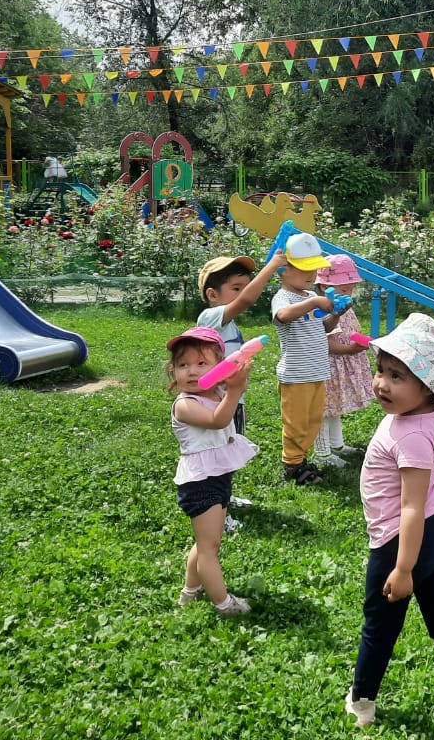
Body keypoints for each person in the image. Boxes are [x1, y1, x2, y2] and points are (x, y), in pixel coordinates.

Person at [346, 310, 434, 727]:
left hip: (402, 542)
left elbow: (411, 506)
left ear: (427, 385)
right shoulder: (423, 412)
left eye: (397, 376)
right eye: (381, 370)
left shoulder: (409, 434)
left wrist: (403, 567)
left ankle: (362, 703)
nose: (382, 383)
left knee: (380, 627)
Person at [167, 326, 259, 617]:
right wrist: (234, 390)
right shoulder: (185, 405)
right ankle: (224, 604)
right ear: (173, 371)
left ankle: (189, 592)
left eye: (201, 363)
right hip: (199, 483)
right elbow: (218, 420)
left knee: (207, 542)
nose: (192, 371)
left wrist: (236, 378)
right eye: (183, 365)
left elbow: (233, 393)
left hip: (217, 477)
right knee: (209, 548)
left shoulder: (216, 392)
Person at [196, 252, 284, 530]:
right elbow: (246, 301)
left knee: (228, 455)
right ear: (212, 294)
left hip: (234, 401)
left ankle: (225, 497)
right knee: (216, 459)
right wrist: (272, 266)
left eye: (244, 287)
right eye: (236, 288)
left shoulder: (228, 324)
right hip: (216, 405)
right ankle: (216, 514)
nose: (244, 294)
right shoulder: (210, 317)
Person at [271, 232, 341, 486]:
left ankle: (301, 459)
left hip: (317, 371)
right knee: (296, 423)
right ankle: (292, 465)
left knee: (312, 420)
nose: (311, 275)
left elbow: (324, 327)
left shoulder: (308, 297)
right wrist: (314, 303)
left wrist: (336, 314)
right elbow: (283, 316)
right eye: (304, 269)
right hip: (296, 374)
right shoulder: (283, 298)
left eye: (314, 269)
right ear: (284, 270)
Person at [312, 254, 373, 466]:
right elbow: (324, 343)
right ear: (324, 287)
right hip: (329, 366)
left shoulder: (342, 306)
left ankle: (336, 444)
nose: (349, 293)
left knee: (335, 406)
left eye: (351, 289)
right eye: (344, 289)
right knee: (324, 408)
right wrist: (349, 349)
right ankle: (322, 453)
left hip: (340, 364)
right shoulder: (322, 311)